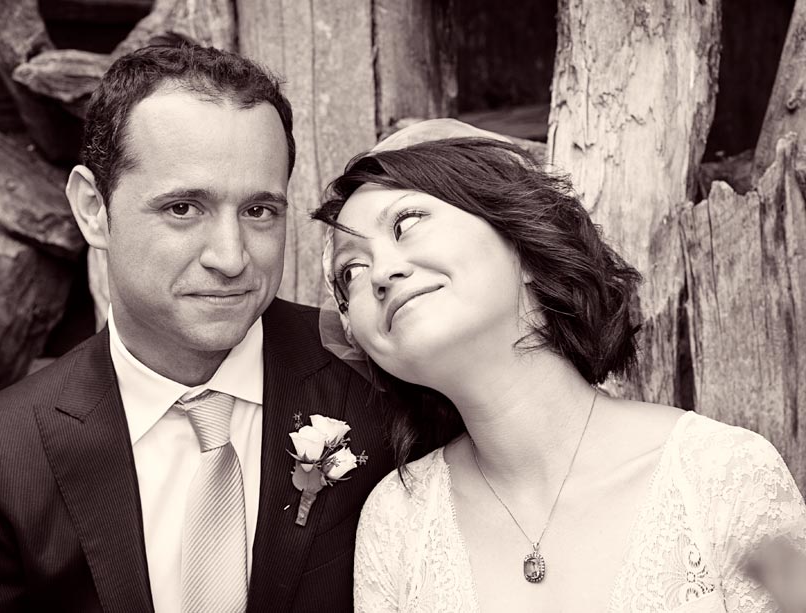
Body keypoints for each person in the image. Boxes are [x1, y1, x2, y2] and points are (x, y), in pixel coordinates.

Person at [0, 36, 394, 613]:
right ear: (94, 209)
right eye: (183, 208)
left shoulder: (378, 381)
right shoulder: (0, 454)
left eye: (259, 211)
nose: (231, 257)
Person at [311, 119, 806, 612]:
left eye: (407, 223)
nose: (379, 273)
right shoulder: (396, 518)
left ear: (522, 242)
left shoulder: (724, 473)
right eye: (350, 271)